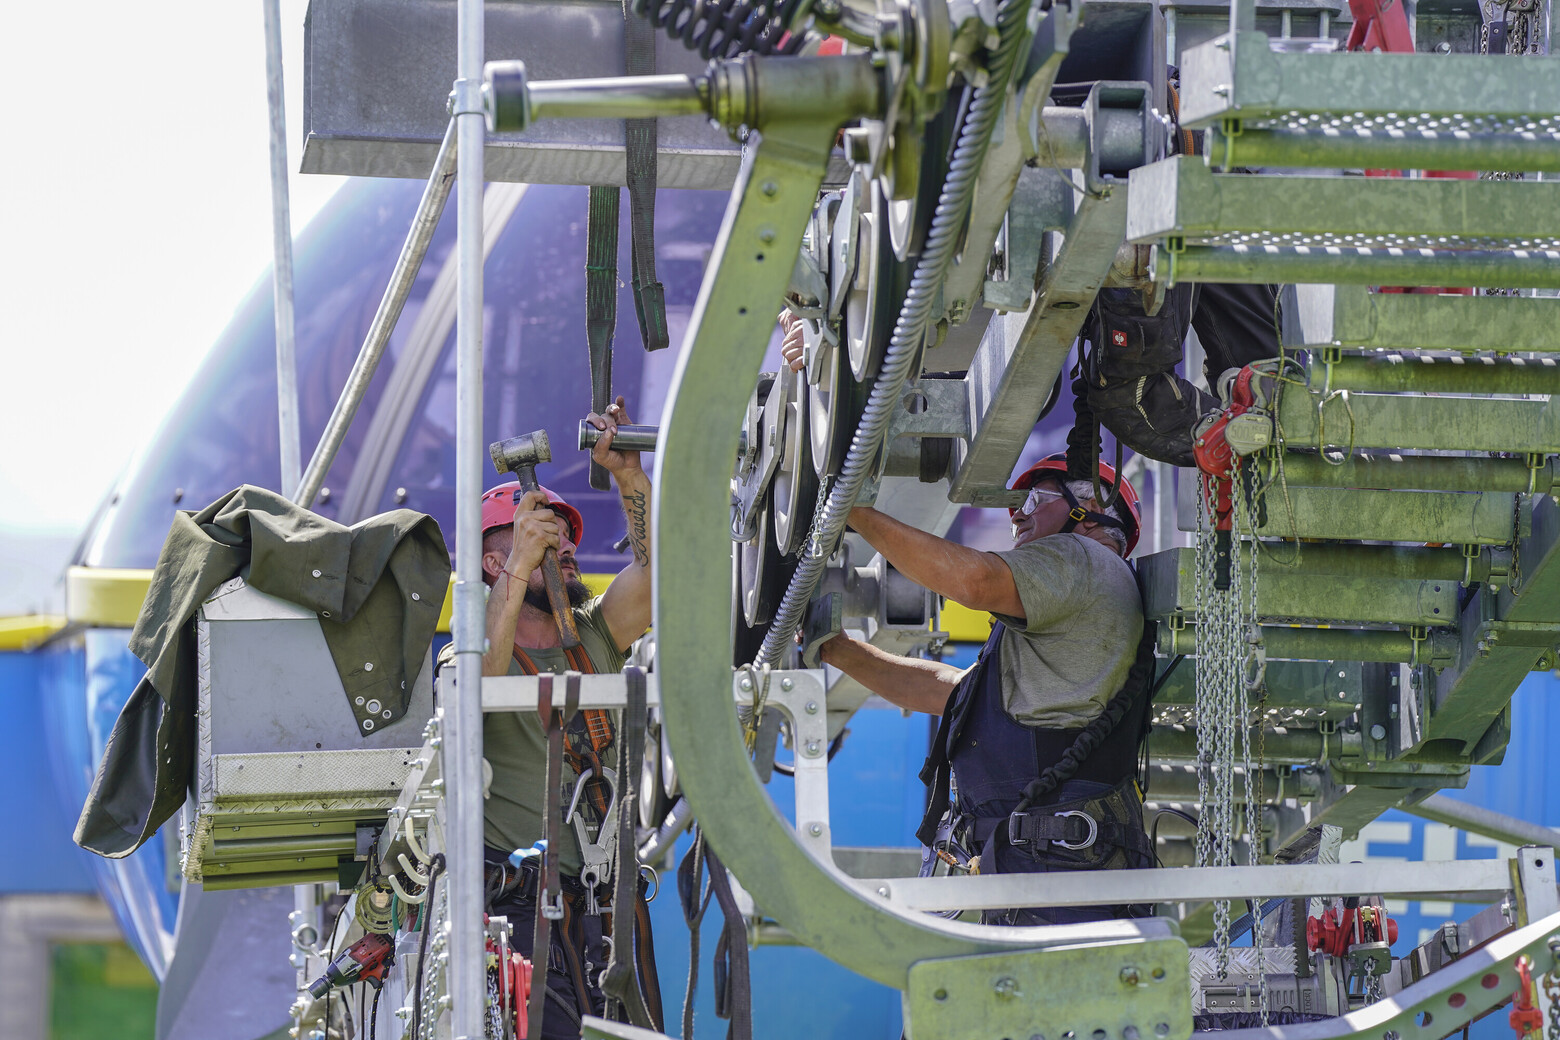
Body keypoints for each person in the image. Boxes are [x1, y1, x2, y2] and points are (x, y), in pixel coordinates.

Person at [813, 453, 1158, 926]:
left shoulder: (1080, 557)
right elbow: (953, 693)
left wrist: (849, 508)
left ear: (1092, 506)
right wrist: (837, 651)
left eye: (1033, 499)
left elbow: (974, 581)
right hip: (1055, 868)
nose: (1016, 513)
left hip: (1060, 873)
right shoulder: (1079, 603)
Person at [439, 395, 661, 1038]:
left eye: (562, 537)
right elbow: (475, 686)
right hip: (516, 912)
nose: (562, 546)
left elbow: (657, 575)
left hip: (601, 907)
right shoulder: (472, 652)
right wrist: (516, 573)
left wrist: (629, 478)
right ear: (492, 560)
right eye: (539, 533)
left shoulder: (593, 635)